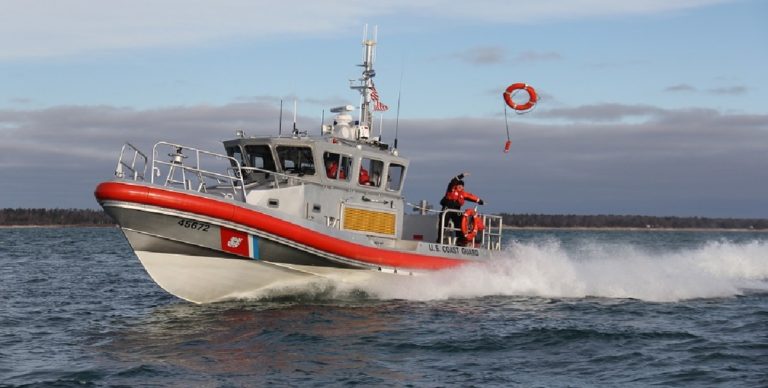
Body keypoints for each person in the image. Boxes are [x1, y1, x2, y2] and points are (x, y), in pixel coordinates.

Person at [437, 172, 485, 246]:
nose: (461, 187)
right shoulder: (451, 189)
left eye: (462, 186)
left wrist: (480, 201)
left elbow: (471, 197)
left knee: (460, 223)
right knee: (443, 223)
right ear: (456, 185)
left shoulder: (463, 194)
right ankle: (440, 240)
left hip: (456, 211)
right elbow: (453, 180)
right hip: (447, 209)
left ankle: (460, 241)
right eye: (459, 185)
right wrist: (462, 175)